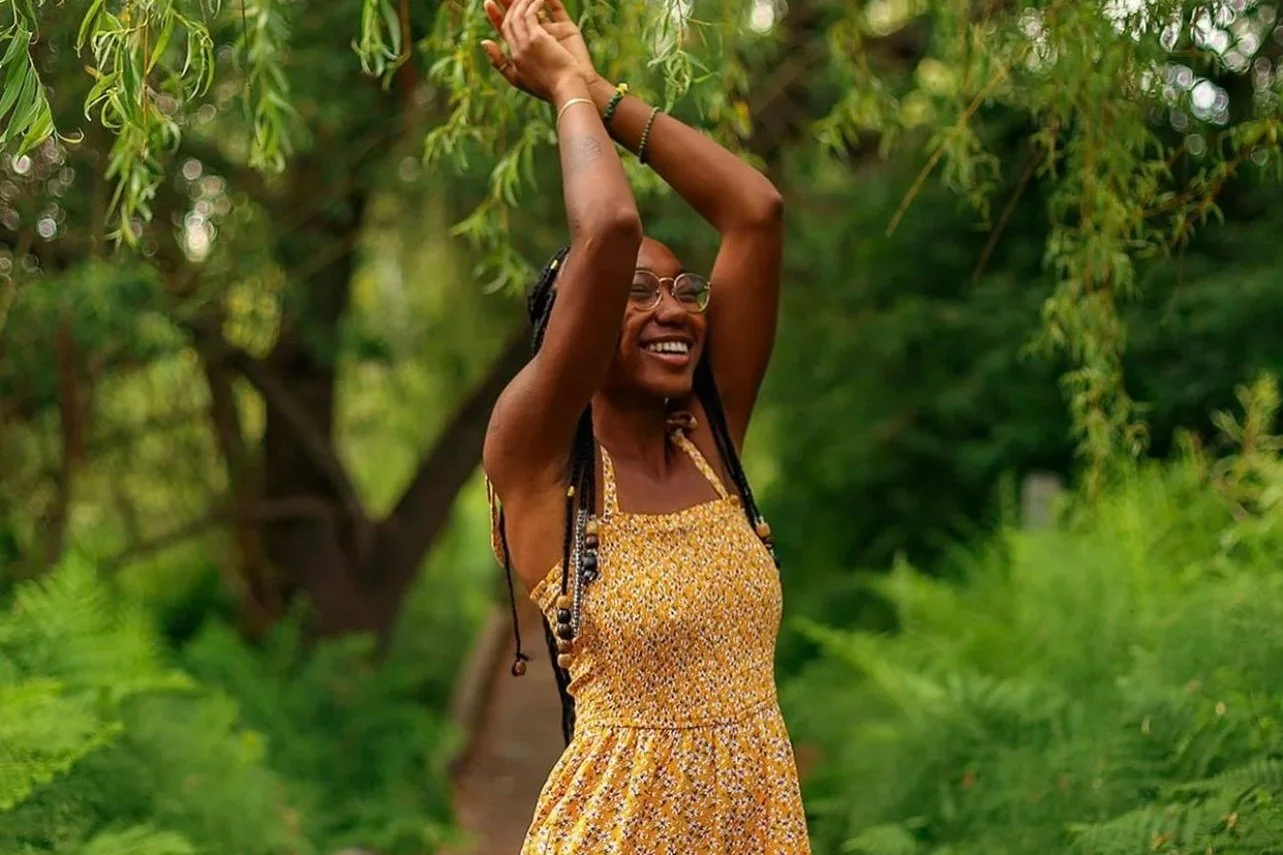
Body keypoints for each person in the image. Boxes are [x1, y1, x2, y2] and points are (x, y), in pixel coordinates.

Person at [479, 0, 810, 850]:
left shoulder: (708, 436)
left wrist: (597, 87)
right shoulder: (535, 457)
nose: (675, 308)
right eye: (634, 291)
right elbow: (610, 226)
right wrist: (561, 95)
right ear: (577, 324)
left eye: (683, 288)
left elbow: (756, 212)